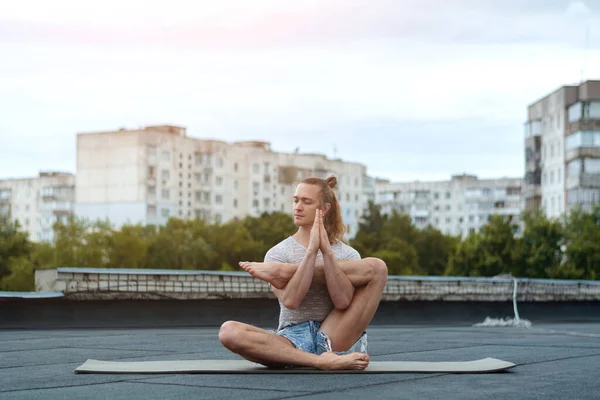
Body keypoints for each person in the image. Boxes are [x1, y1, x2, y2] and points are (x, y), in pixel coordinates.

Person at [218, 176, 388, 370]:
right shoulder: (278, 253)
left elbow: (343, 301)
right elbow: (291, 300)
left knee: (378, 267)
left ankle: (321, 355)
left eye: (306, 202)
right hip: (292, 339)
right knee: (229, 332)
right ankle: (320, 361)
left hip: (335, 333)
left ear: (324, 209)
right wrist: (310, 253)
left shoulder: (347, 254)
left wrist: (326, 253)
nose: (297, 207)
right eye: (296, 200)